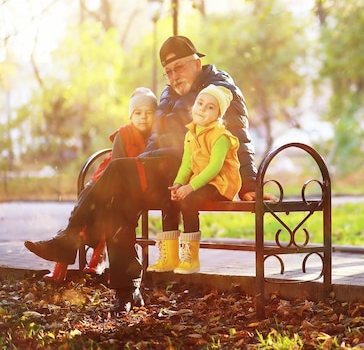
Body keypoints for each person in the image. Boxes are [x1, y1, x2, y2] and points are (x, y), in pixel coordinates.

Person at [24, 36, 259, 316]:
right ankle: (127, 292)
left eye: (179, 67)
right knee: (117, 196)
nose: (174, 76)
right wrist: (139, 165)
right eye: (168, 71)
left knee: (117, 169)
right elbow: (155, 140)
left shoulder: (219, 89)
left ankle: (70, 238)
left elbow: (239, 136)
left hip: (197, 178)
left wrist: (249, 183)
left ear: (197, 63)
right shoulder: (167, 94)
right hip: (165, 172)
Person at [27, 87, 158, 281]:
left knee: (105, 206)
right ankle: (77, 256)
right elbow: (118, 166)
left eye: (149, 113)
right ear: (131, 116)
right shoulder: (124, 134)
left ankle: (69, 246)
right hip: (107, 181)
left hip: (133, 188)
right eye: (138, 113)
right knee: (91, 198)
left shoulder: (156, 137)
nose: (143, 117)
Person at [155, 85, 242, 275]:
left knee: (188, 201)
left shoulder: (221, 136)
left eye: (210, 107)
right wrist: (178, 184)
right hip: (200, 181)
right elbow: (186, 164)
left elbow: (214, 167)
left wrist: (189, 188)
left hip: (221, 183)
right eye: (200, 103)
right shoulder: (190, 134)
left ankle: (190, 259)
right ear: (193, 105)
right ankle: (169, 257)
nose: (203, 108)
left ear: (219, 114)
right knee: (168, 201)